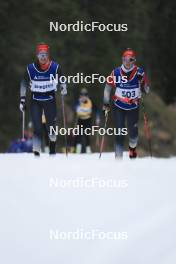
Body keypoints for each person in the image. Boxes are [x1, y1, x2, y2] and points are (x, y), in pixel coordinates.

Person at [19, 43, 67, 156]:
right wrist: (22, 100)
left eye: (45, 54)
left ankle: (52, 150)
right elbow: (23, 84)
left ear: (48, 55)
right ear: (37, 55)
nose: (43, 57)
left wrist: (63, 87)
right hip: (35, 99)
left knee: (51, 127)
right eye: (41, 55)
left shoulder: (55, 67)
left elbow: (62, 79)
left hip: (49, 99)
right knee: (37, 128)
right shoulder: (30, 68)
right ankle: (36, 153)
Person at [103, 48, 150, 159]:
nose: (127, 62)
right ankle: (118, 160)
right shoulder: (116, 72)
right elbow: (107, 88)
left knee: (133, 134)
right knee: (119, 132)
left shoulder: (140, 72)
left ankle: (132, 149)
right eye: (125, 59)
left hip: (133, 106)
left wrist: (142, 84)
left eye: (130, 60)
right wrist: (105, 102)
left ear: (134, 60)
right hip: (119, 105)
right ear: (122, 60)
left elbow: (147, 90)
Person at [74, 88, 100, 153]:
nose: (83, 97)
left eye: (85, 95)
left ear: (87, 96)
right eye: (82, 95)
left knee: (87, 134)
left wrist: (97, 117)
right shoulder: (78, 102)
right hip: (80, 119)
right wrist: (76, 108)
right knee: (79, 134)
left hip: (88, 119)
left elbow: (96, 110)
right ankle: (78, 150)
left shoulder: (90, 102)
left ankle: (88, 149)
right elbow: (73, 107)